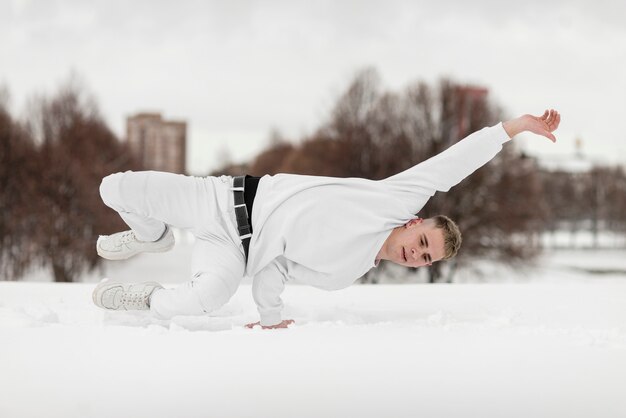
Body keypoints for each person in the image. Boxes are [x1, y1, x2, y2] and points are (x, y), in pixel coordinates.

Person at [92, 109, 560, 329]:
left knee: (207, 298)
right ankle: (151, 236)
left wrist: (271, 318)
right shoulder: (391, 200)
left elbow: (275, 270)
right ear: (416, 222)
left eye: (425, 260)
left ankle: (142, 299)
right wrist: (512, 129)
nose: (416, 255)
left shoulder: (345, 274)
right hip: (216, 198)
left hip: (234, 251)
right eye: (423, 244)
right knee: (114, 187)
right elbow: (448, 166)